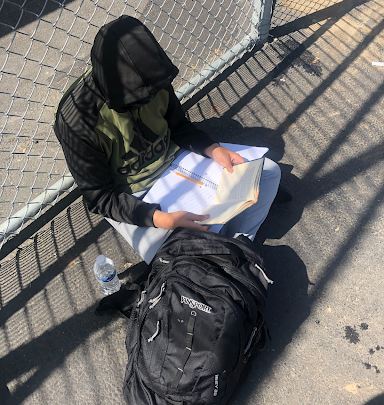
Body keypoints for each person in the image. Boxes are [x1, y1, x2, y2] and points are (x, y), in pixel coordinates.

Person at [54, 16, 286, 263]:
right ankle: (217, 254)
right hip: (133, 194)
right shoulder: (76, 119)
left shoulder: (152, 77)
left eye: (151, 94)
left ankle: (239, 247)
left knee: (268, 172)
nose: (148, 99)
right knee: (173, 254)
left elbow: (179, 127)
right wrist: (164, 220)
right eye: (136, 101)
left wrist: (214, 149)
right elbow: (101, 197)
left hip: (177, 165)